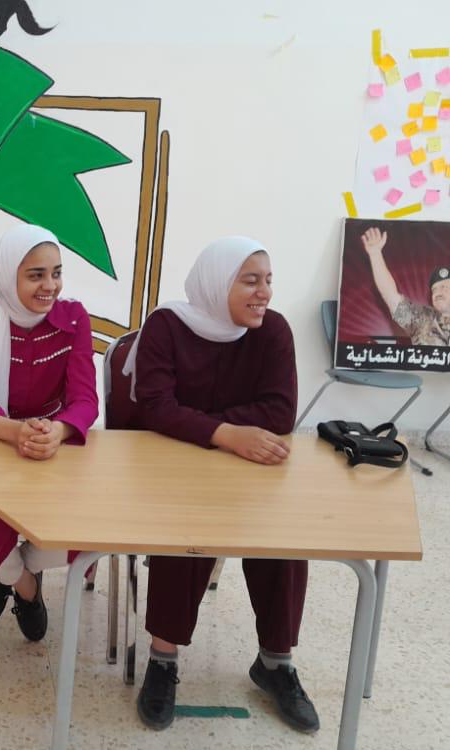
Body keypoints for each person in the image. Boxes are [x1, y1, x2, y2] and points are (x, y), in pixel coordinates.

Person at [123, 237, 319, 733]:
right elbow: (154, 407)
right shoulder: (168, 325)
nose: (264, 293)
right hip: (175, 466)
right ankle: (163, 659)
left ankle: (275, 662)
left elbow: (281, 412)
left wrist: (198, 421)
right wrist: (226, 433)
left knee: (282, 534)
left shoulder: (273, 331)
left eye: (268, 280)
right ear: (217, 283)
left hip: (246, 469)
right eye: (250, 281)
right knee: (187, 527)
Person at [0, 223, 98, 641]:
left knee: (83, 528)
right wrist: (14, 432)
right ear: (7, 275)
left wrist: (59, 430)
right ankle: (25, 586)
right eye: (36, 275)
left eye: (56, 273)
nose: (50, 286)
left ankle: (7, 570)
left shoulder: (74, 318)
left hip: (53, 446)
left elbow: (86, 400)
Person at [360, 226, 450, 346]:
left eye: (444, 287)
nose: (438, 292)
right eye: (434, 289)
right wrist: (375, 254)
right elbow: (391, 296)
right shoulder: (421, 319)